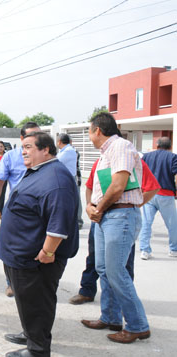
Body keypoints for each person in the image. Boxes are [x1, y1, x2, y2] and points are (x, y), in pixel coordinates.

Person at [0, 132, 79, 357]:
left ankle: (37, 350)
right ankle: (30, 333)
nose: (23, 151)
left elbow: (58, 223)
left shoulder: (56, 178)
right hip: (20, 255)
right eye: (22, 147)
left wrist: (47, 251)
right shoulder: (40, 171)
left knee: (37, 303)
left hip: (37, 260)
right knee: (28, 301)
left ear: (46, 150)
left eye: (29, 147)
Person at [81, 113, 150, 344]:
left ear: (98, 130)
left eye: (89, 131)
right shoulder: (104, 154)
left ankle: (138, 325)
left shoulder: (120, 146)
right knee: (103, 269)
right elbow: (99, 187)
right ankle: (110, 317)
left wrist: (98, 208)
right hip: (106, 216)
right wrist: (92, 207)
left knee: (116, 272)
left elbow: (119, 185)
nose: (89, 137)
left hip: (119, 215)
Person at [68, 157, 160, 305]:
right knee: (94, 258)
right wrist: (90, 207)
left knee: (122, 264)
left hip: (121, 220)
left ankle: (123, 300)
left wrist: (134, 205)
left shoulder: (133, 162)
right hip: (99, 217)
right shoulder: (101, 162)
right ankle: (87, 290)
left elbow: (153, 187)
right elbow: (90, 186)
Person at [0, 122, 40, 298]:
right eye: (31, 135)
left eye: (38, 135)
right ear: (21, 139)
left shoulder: (44, 156)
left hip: (38, 212)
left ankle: (32, 282)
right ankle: (10, 282)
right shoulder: (11, 157)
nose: (36, 139)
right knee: (10, 250)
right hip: (15, 211)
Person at [138, 137, 177, 260]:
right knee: (172, 224)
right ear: (170, 146)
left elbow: (140, 173)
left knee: (146, 223)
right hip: (166, 194)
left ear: (157, 144)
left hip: (148, 194)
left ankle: (144, 250)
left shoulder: (146, 156)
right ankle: (173, 249)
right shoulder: (173, 157)